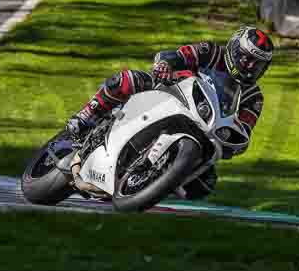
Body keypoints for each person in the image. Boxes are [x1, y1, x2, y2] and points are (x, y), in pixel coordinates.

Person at [65, 25, 273, 197]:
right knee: (128, 80)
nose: (250, 66)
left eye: (258, 65)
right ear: (234, 49)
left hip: (203, 129)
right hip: (168, 94)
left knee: (205, 184)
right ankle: (86, 117)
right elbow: (177, 55)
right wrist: (165, 65)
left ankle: (153, 181)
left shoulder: (253, 98)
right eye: (247, 58)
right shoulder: (210, 52)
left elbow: (244, 128)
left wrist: (234, 143)